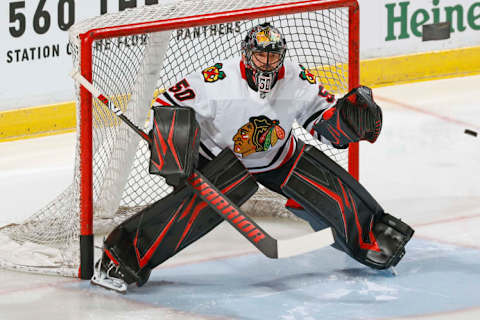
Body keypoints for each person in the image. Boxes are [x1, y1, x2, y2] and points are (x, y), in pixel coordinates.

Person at [91, 23, 414, 293]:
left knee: (334, 190)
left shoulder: (295, 77)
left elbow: (320, 121)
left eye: (274, 55)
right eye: (261, 54)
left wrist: (343, 122)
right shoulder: (216, 79)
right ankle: (120, 259)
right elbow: (168, 105)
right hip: (222, 162)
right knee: (186, 214)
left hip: (280, 157)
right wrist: (175, 150)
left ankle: (370, 239)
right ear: (246, 54)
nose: (267, 62)